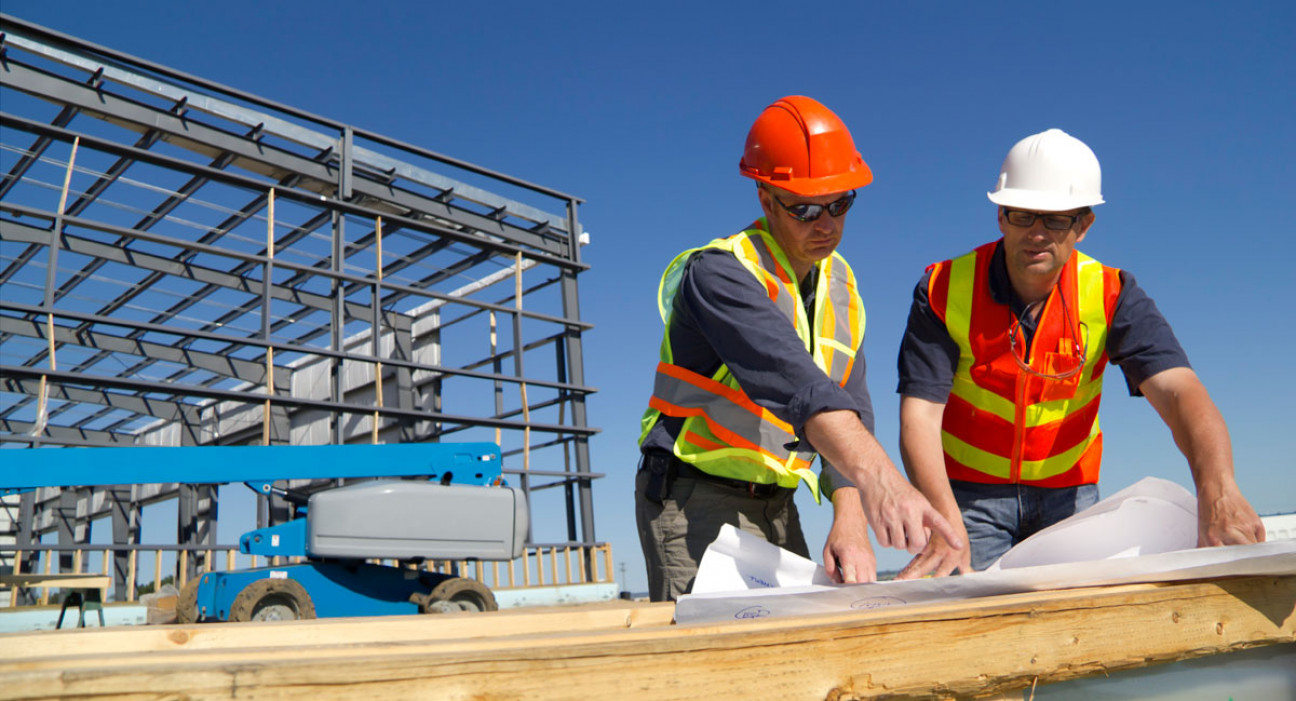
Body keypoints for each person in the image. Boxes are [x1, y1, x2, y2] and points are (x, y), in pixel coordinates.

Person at [895, 128, 1266, 578]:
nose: (1036, 233)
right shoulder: (942, 288)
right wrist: (943, 518)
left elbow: (1179, 392)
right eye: (1022, 215)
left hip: (1068, 496)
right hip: (966, 497)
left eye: (1054, 219)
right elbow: (919, 417)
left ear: (1083, 225)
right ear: (1000, 215)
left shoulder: (1113, 294)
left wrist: (1219, 490)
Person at [635, 95, 960, 602]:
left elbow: (850, 405)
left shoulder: (840, 285)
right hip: (693, 496)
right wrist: (883, 481)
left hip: (777, 503)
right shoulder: (720, 274)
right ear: (766, 200)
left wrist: (849, 515)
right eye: (805, 208)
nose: (825, 223)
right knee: (716, 666)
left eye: (839, 203)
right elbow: (803, 389)